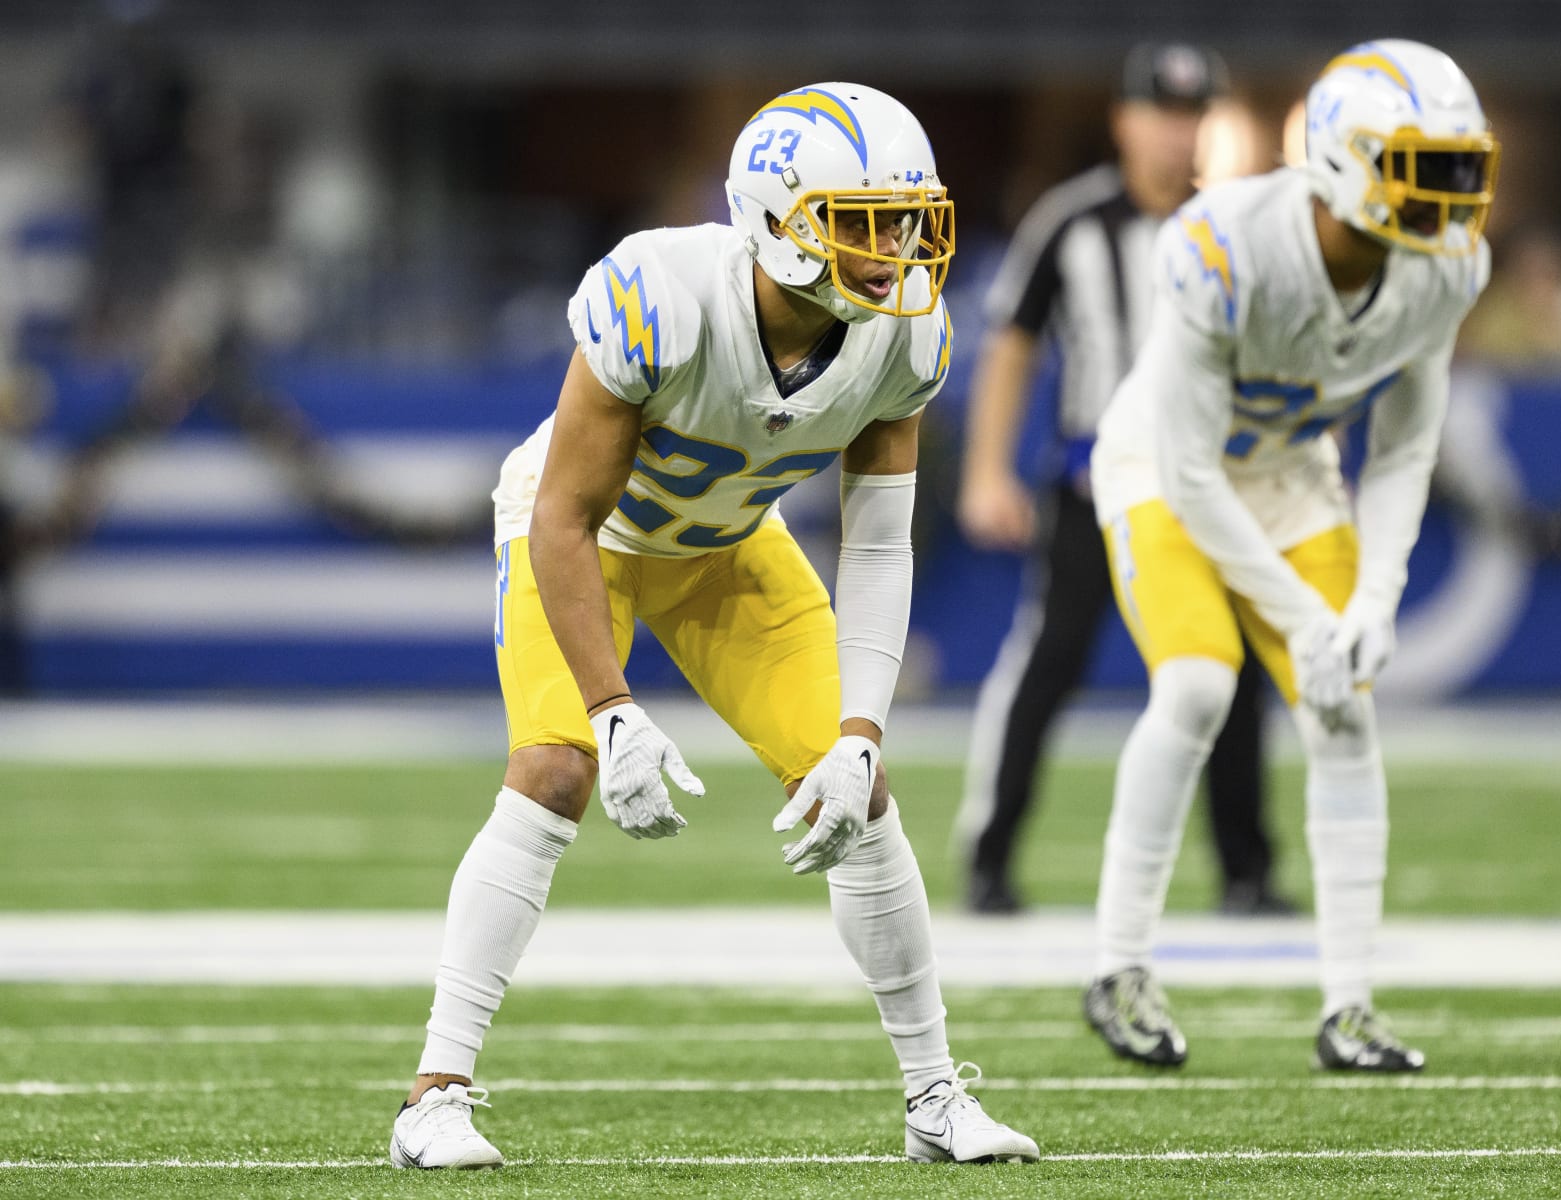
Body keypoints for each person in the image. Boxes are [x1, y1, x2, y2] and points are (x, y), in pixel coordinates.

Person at [389, 83, 1038, 1169]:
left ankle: (935, 1099)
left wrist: (862, 731)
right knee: (553, 772)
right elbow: (562, 513)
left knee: (858, 794)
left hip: (728, 546)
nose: (898, 248)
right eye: (865, 221)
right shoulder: (661, 293)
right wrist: (612, 712)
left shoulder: (905, 337)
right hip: (587, 541)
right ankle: (435, 1096)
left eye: (906, 217)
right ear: (780, 221)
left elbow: (880, 544)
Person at [1081, 40, 1498, 1071]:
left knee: (1344, 709)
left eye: (1460, 166)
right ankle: (1118, 964)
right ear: (1350, 160)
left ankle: (1349, 1005)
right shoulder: (1225, 243)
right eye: (1425, 165)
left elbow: (1405, 446)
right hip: (1163, 463)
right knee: (1193, 690)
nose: (1451, 195)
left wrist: (1375, 604)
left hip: (1288, 474)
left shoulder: (1444, 269)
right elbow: (1184, 473)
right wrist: (1310, 614)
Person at [956, 42, 1292, 918]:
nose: (1178, 134)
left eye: (1193, 115)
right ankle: (988, 858)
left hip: (1202, 489)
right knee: (1048, 665)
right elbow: (1012, 343)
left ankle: (1247, 872)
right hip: (1091, 487)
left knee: (1230, 672)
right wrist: (988, 469)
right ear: (1123, 120)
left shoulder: (1229, 227)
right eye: (1162, 113)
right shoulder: (1069, 223)